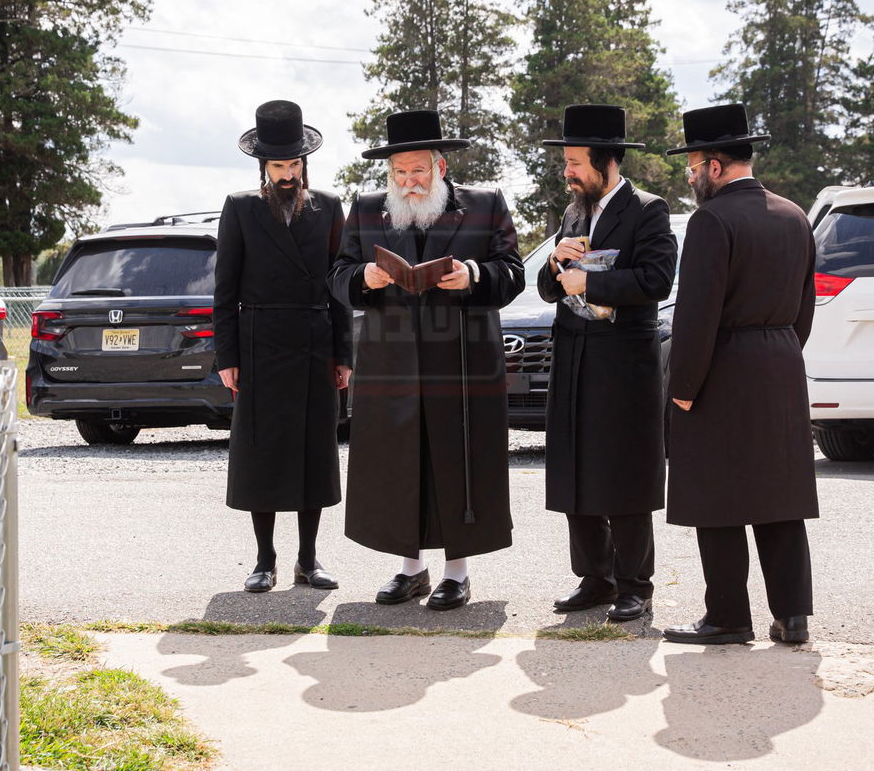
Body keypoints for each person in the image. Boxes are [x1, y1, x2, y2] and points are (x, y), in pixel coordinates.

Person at [328, 109, 524, 611]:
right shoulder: (369, 208)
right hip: (390, 365)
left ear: (439, 167)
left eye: (418, 171)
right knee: (397, 465)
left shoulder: (484, 203)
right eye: (399, 173)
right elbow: (338, 275)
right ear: (389, 174)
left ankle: (457, 574)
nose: (409, 181)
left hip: (460, 362)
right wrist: (364, 280)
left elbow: (512, 272)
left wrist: (475, 275)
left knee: (458, 464)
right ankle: (410, 569)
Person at [660, 103, 819, 645]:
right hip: (781, 365)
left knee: (717, 495)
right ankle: (792, 616)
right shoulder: (794, 214)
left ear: (714, 164)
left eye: (692, 166)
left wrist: (682, 387)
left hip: (723, 368)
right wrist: (778, 351)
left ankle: (728, 617)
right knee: (780, 496)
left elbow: (697, 315)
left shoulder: (712, 220)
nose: (690, 176)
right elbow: (805, 308)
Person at [536, 104, 678, 622]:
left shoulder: (648, 209)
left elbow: (656, 280)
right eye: (567, 162)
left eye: (575, 162)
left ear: (607, 162)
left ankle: (635, 584)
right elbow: (550, 288)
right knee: (576, 468)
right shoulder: (574, 212)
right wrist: (555, 264)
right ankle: (593, 577)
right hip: (573, 355)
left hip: (623, 363)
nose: (567, 172)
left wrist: (591, 282)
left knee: (623, 471)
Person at [213, 100, 352, 593]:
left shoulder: (330, 207)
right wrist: (226, 357)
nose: (289, 175)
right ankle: (265, 559)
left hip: (315, 344)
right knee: (263, 452)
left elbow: (339, 285)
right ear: (263, 167)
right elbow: (224, 291)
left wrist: (344, 356)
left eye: (295, 165)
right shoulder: (241, 208)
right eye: (279, 167)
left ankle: (309, 560)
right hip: (259, 346)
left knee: (314, 450)